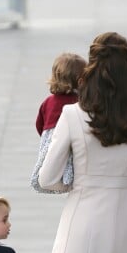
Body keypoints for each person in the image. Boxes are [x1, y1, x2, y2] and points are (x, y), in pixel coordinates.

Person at [38, 32, 127, 253]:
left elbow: (47, 178)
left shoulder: (72, 114)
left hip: (82, 212)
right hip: (125, 216)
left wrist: (79, 183)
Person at [31, 53, 86, 193]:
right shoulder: (80, 102)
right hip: (70, 139)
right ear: (80, 80)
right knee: (70, 162)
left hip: (50, 138)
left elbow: (39, 124)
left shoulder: (48, 101)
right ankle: (68, 179)